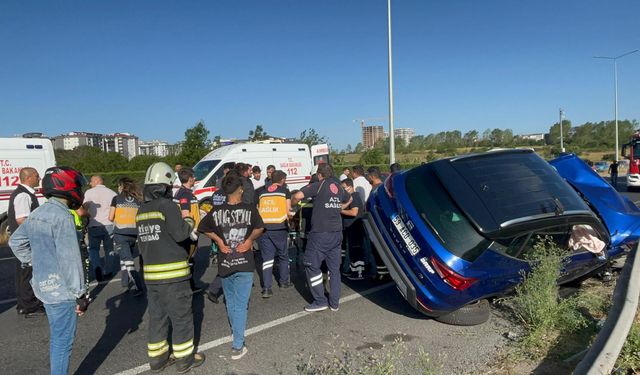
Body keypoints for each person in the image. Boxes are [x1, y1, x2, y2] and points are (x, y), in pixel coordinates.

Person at [9, 167, 91, 375]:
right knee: (63, 343)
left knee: (57, 338)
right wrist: (80, 294)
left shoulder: (37, 213)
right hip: (63, 290)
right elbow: (70, 260)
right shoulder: (62, 217)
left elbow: (15, 241)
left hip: (43, 286)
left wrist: (34, 261)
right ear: (68, 187)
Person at [137, 162, 205, 372]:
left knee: (157, 318)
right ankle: (185, 360)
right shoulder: (167, 206)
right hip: (174, 276)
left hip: (152, 276)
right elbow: (180, 233)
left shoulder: (142, 210)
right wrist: (190, 221)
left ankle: (157, 361)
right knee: (182, 318)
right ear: (166, 186)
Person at [198, 172, 264, 360]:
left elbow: (203, 227)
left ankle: (236, 333)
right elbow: (259, 227)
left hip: (225, 262)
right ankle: (238, 344)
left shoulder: (216, 211)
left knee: (232, 302)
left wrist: (218, 241)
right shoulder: (250, 209)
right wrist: (249, 240)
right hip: (244, 261)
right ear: (240, 189)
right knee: (241, 304)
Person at [291, 164, 350, 312]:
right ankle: (334, 303)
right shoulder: (338, 187)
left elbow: (297, 196)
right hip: (337, 233)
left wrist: (292, 205)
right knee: (334, 269)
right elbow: (350, 198)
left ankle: (320, 300)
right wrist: (339, 208)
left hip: (320, 234)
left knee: (311, 265)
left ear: (319, 175)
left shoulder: (318, 186)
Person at [7, 167, 45, 317]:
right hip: (25, 242)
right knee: (27, 272)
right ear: (28, 177)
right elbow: (22, 219)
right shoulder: (23, 195)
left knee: (25, 272)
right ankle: (29, 306)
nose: (39, 178)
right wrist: (40, 229)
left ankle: (24, 304)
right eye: (37, 175)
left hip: (23, 241)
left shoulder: (24, 193)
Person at [256, 170, 293, 298]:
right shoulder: (284, 191)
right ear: (282, 180)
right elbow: (288, 211)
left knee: (267, 259)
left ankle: (266, 288)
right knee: (283, 255)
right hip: (280, 227)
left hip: (264, 228)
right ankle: (284, 282)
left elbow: (257, 209)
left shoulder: (261, 191)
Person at [108, 177, 144, 296]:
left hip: (120, 233)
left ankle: (139, 286)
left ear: (122, 186)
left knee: (128, 261)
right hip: (134, 233)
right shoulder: (137, 199)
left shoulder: (116, 199)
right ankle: (124, 282)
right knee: (124, 258)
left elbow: (111, 217)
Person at [173, 167, 204, 292]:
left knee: (187, 259)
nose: (194, 179)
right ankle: (189, 286)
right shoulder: (185, 194)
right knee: (189, 260)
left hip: (185, 231)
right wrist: (191, 231)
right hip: (189, 233)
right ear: (190, 178)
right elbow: (185, 215)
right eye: (193, 177)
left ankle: (187, 284)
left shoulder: (181, 192)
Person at [83, 175, 118, 281]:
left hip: (94, 224)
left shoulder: (89, 193)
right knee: (109, 249)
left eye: (91, 181)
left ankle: (97, 267)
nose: (90, 183)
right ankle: (109, 270)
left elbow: (84, 208)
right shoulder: (112, 193)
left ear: (96, 181)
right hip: (109, 224)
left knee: (94, 249)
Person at [340, 178, 366, 280]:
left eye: (344, 188)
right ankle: (352, 270)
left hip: (355, 227)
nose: (342, 191)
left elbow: (354, 212)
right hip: (349, 227)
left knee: (356, 250)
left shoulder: (354, 197)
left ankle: (358, 273)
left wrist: (340, 211)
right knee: (351, 250)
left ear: (350, 187)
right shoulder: (349, 197)